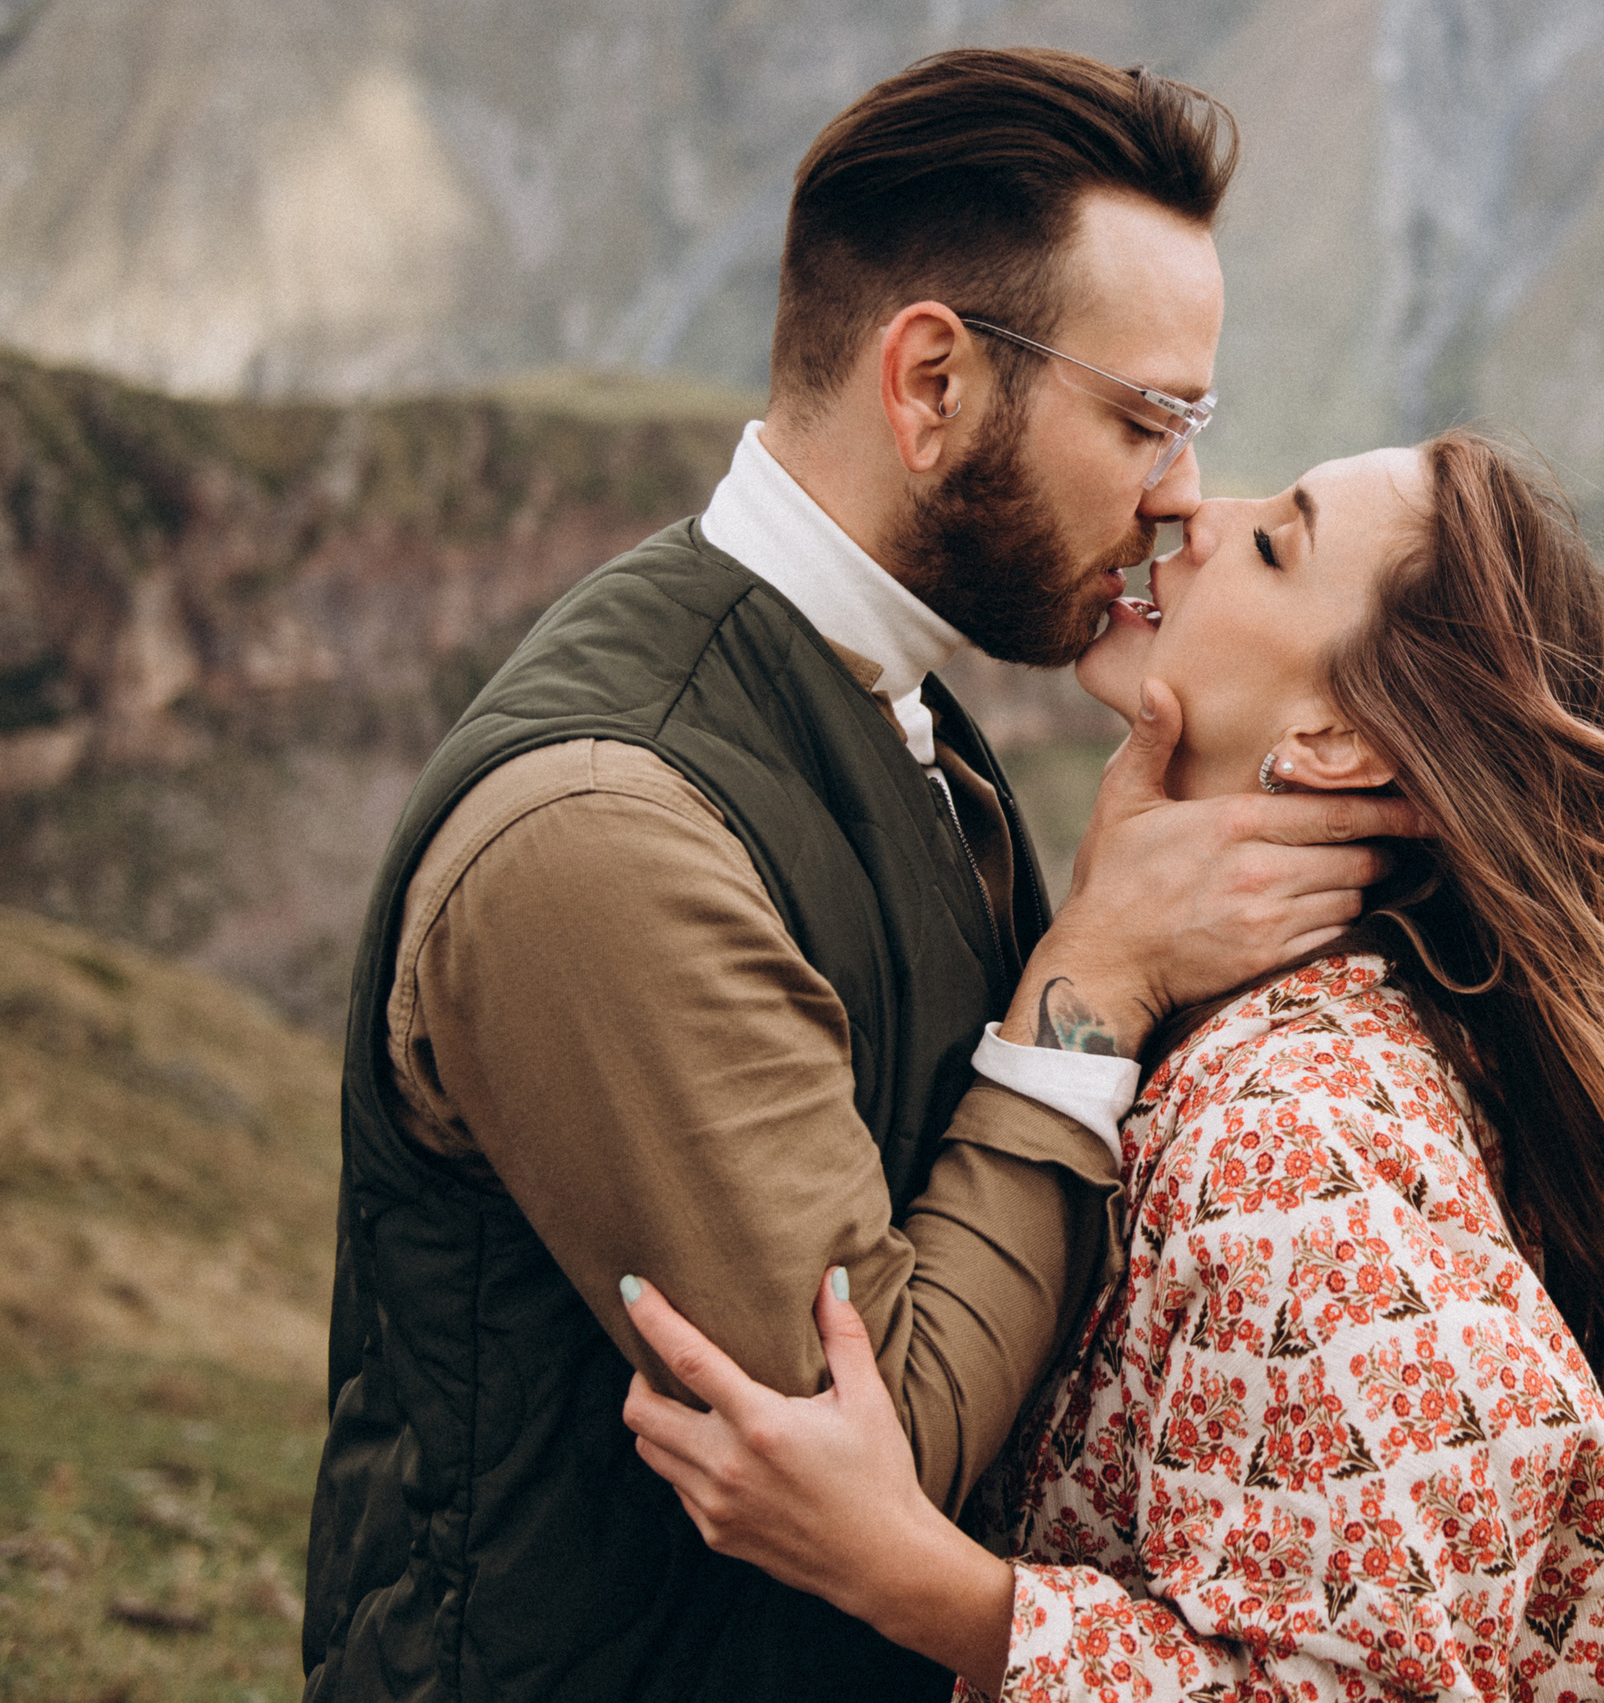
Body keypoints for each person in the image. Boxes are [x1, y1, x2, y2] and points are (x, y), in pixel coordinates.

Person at [302, 49, 1421, 1703]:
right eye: (1145, 418)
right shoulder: (605, 828)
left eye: (1196, 423)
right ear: (933, 387)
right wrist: (1091, 985)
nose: (1181, 490)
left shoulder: (913, 721)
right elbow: (869, 1437)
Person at [616, 431, 1604, 1700]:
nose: (1198, 514)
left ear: (1337, 742)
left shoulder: (1295, 1146)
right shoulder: (1293, 1042)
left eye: (1275, 544)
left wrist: (905, 1574)